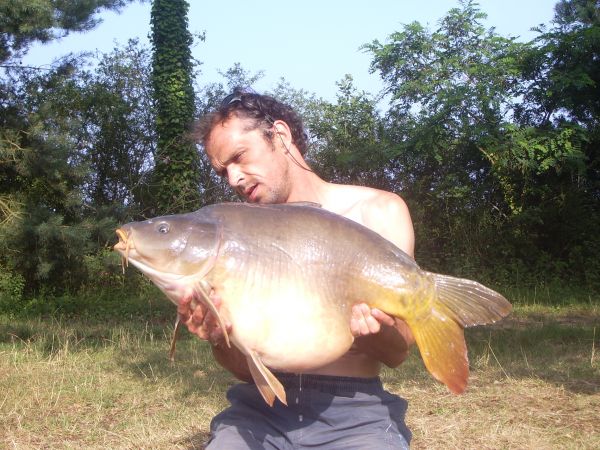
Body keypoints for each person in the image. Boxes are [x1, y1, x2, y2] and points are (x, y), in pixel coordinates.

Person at [179, 88, 415, 449]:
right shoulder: (236, 242)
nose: (234, 178)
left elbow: (397, 353)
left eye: (239, 157)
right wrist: (218, 336)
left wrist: (372, 331)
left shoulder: (378, 212)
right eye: (223, 171)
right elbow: (245, 369)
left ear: (280, 135)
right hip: (261, 412)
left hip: (355, 414)